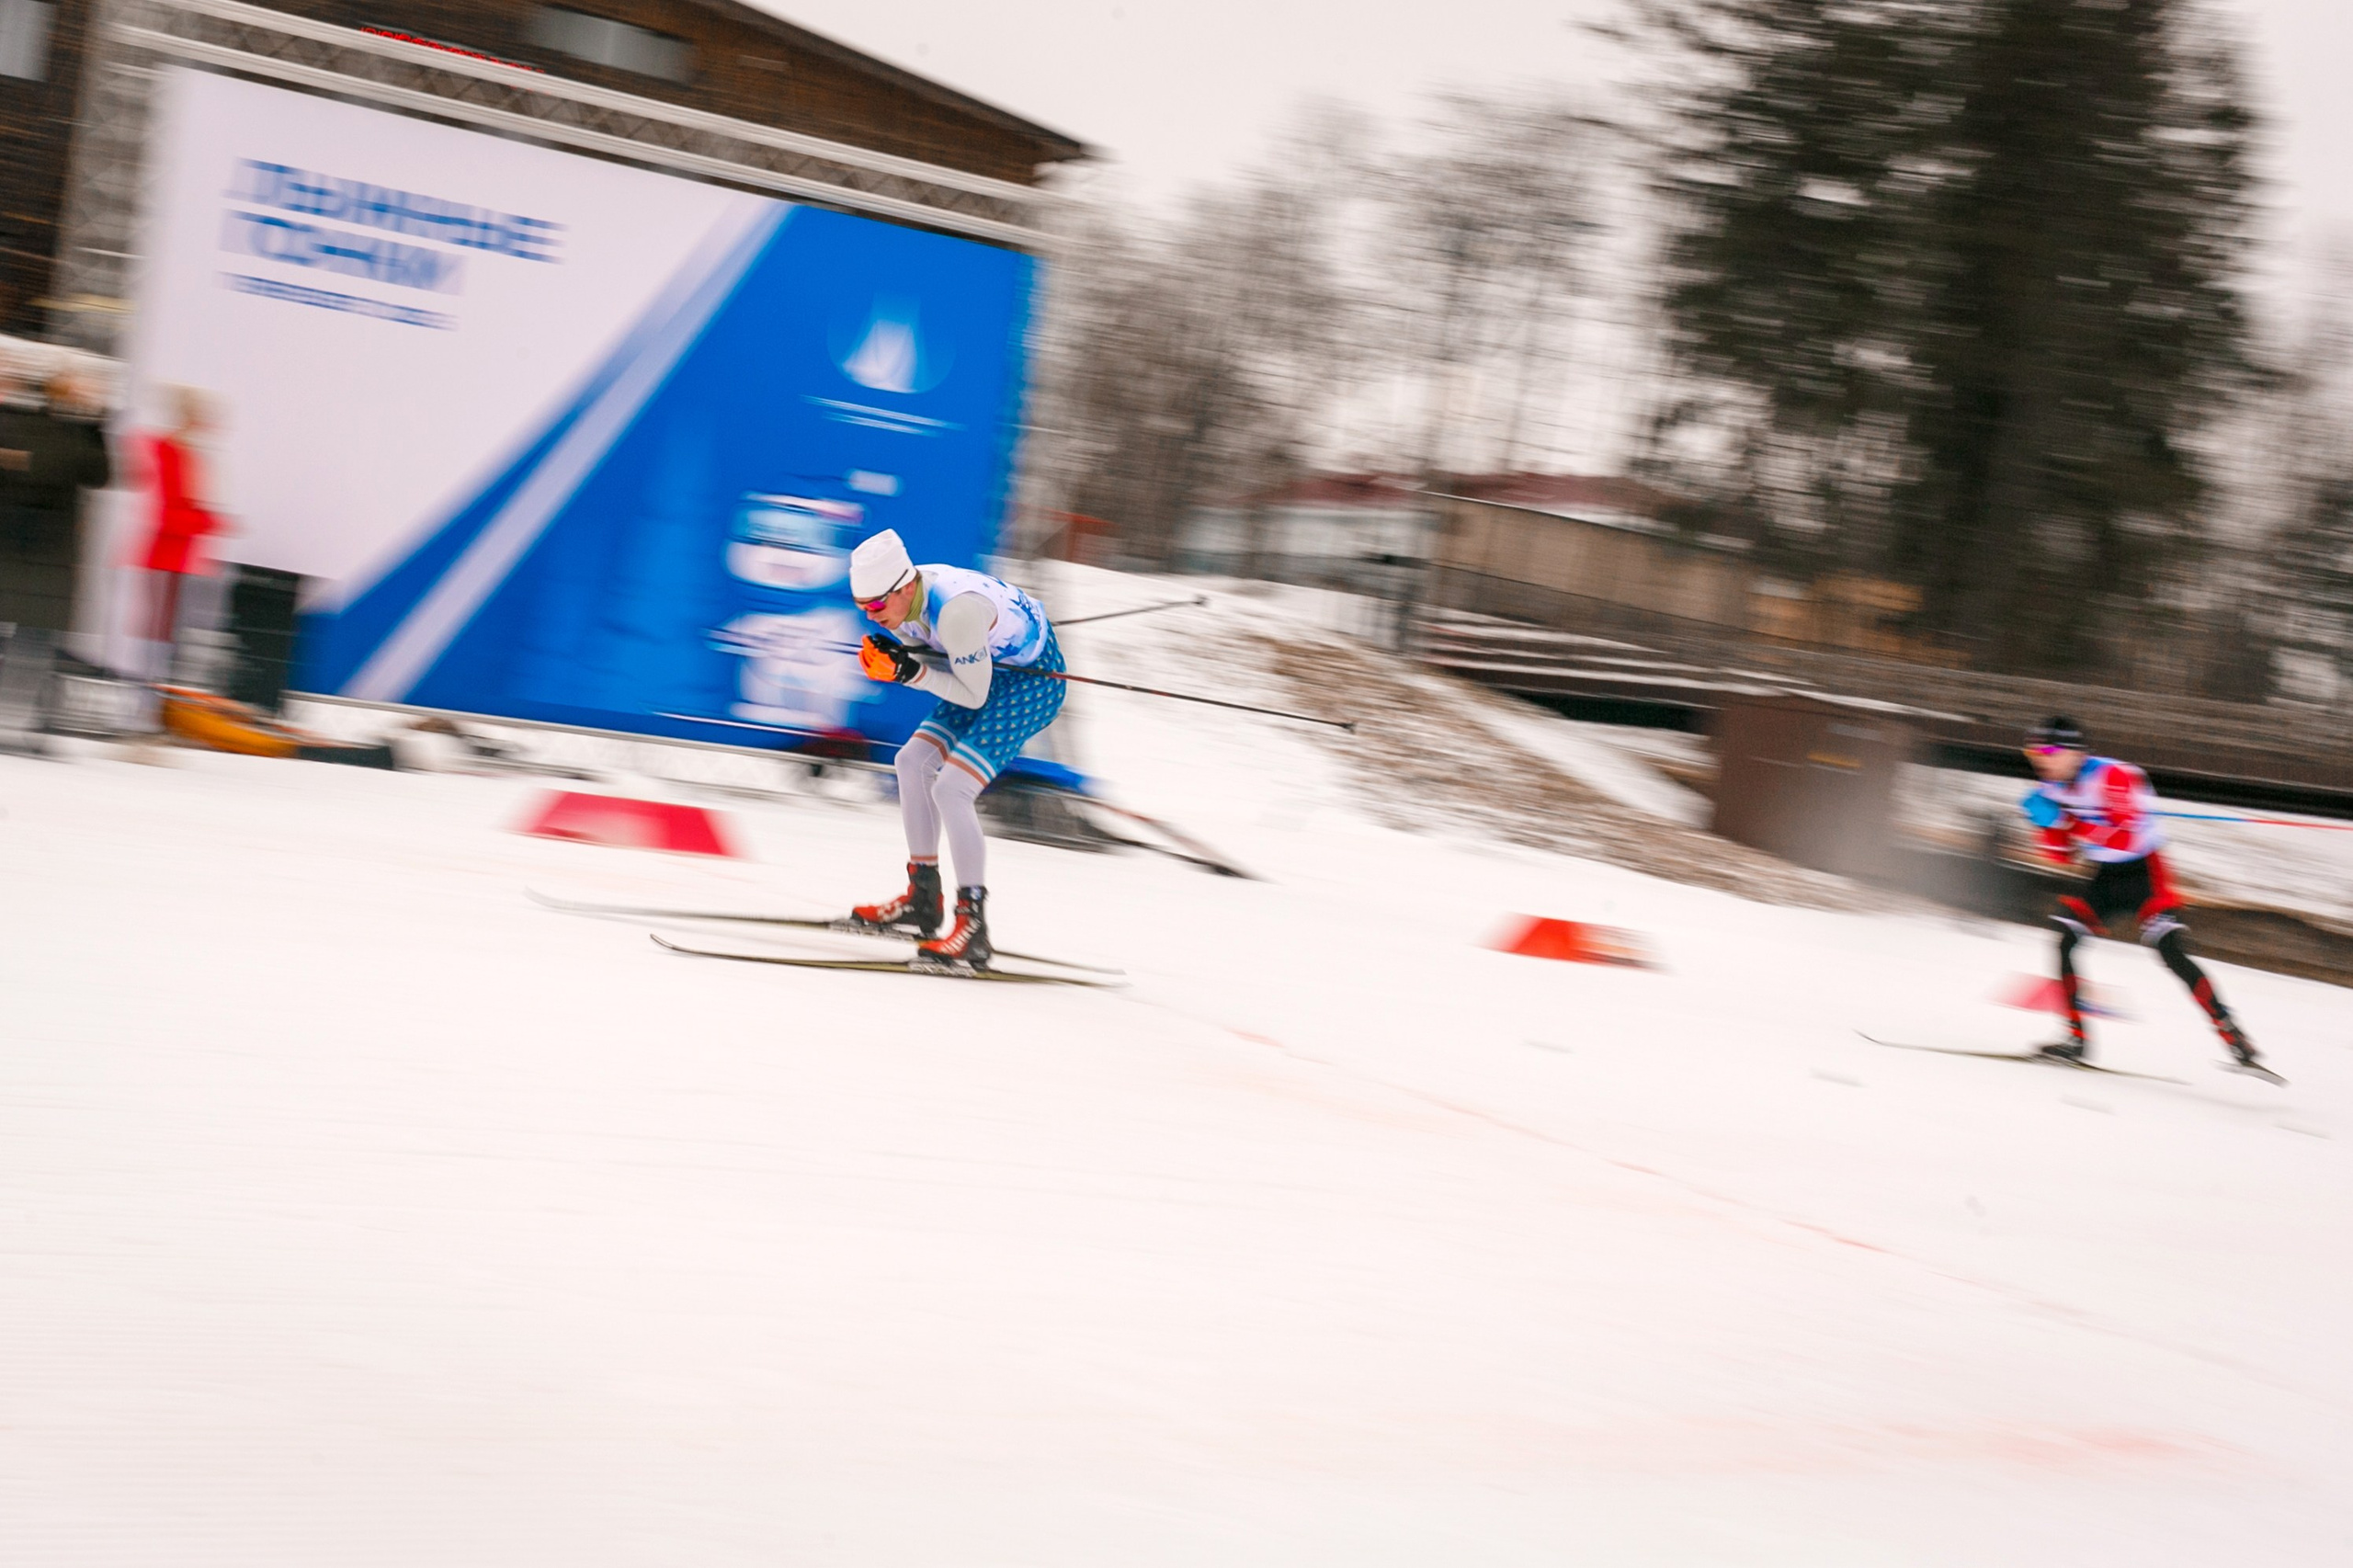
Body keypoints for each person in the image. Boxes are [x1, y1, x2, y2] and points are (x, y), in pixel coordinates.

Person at [843, 528, 1065, 969]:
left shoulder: (956, 612)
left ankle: (973, 928)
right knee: (910, 762)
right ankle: (923, 898)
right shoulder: (905, 598)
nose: (870, 616)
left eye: (875, 607)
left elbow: (975, 695)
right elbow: (942, 658)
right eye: (860, 607)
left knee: (952, 788)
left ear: (905, 586)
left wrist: (907, 671)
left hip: (1031, 684)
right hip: (987, 668)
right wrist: (899, 652)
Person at [2019, 716, 2268, 1075]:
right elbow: (2063, 856)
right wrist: (2045, 826)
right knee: (2063, 940)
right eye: (2032, 751)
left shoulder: (2115, 777)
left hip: (2146, 874)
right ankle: (2075, 1039)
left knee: (2171, 952)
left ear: (2075, 752)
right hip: (2104, 878)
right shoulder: (2048, 788)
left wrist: (2067, 821)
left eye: (2048, 750)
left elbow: (2126, 838)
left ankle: (2237, 1040)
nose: (2039, 759)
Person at [0, 365, 113, 743]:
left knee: (37, 638)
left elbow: (101, 475)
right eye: (82, 392)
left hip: (53, 555)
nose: (88, 398)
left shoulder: (80, 434)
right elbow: (44, 473)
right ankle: (13, 717)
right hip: (23, 551)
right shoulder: (32, 425)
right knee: (23, 636)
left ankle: (23, 719)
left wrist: (96, 425)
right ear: (61, 394)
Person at [137, 386, 227, 679]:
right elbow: (170, 511)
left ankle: (154, 694)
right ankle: (148, 697)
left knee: (168, 626)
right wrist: (210, 522)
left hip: (181, 554)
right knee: (160, 627)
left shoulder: (185, 453)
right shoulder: (169, 451)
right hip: (167, 552)